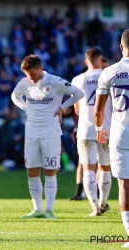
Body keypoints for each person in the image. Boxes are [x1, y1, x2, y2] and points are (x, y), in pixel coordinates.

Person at [11, 54, 83, 219]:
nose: (31, 78)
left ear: (40, 68)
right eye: (28, 75)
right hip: (31, 133)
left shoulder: (56, 82)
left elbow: (78, 93)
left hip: (51, 133)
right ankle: (37, 209)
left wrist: (62, 107)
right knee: (32, 170)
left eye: (33, 74)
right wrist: (24, 107)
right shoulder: (25, 83)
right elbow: (14, 96)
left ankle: (49, 209)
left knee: (50, 170)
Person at [94, 28, 129, 248]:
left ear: (121, 46)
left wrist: (99, 128)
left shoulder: (109, 71)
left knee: (124, 185)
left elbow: (99, 110)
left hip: (121, 135)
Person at [72, 48, 112, 216]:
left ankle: (94, 207)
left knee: (88, 168)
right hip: (107, 128)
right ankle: (103, 203)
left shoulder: (78, 79)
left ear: (85, 61)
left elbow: (77, 109)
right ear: (101, 60)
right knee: (105, 168)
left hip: (86, 129)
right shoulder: (109, 76)